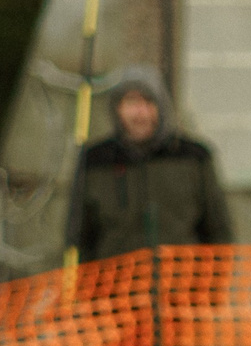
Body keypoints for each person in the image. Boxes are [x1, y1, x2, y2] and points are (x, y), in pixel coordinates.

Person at [65, 66, 234, 261]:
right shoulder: (95, 160)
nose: (140, 112)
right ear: (117, 108)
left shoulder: (193, 157)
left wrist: (214, 276)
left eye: (148, 101)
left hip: (182, 276)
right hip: (115, 277)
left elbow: (219, 230)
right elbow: (78, 235)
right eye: (132, 102)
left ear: (161, 107)